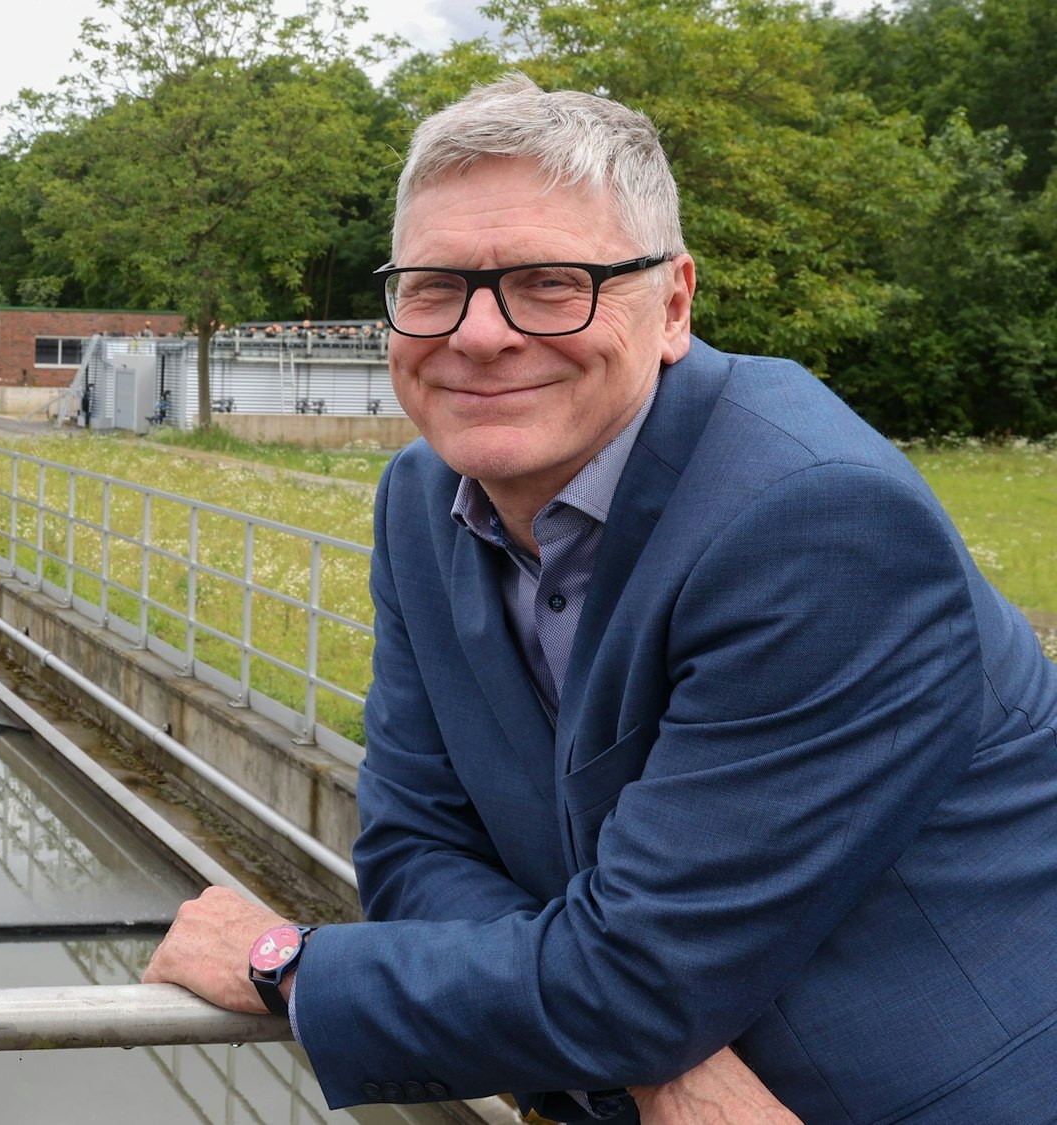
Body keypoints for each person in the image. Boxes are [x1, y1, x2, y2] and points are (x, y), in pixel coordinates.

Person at [142, 73, 1057, 1125]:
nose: (477, 335)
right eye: (432, 286)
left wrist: (283, 965)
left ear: (670, 305)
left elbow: (638, 980)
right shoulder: (419, 498)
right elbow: (412, 849)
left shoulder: (816, 523)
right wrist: (648, 1052)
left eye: (548, 282)